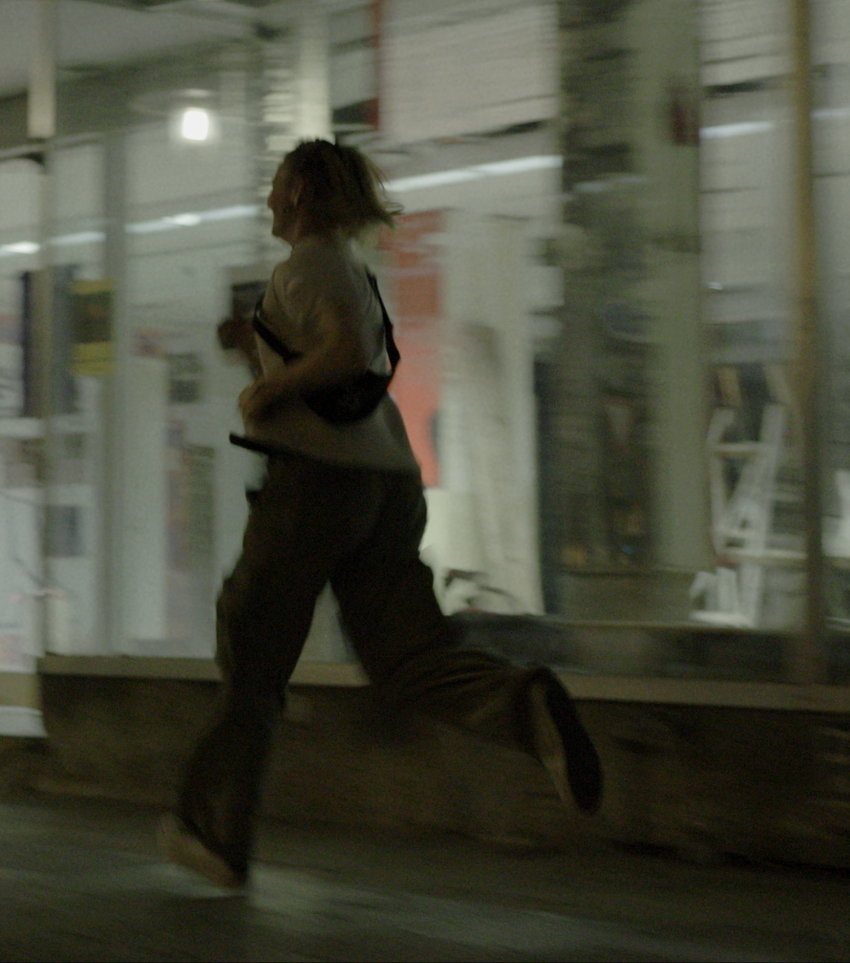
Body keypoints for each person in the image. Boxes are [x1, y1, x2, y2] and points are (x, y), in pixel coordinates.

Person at [159, 140, 602, 889]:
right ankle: (524, 707)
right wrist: (253, 352)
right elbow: (340, 368)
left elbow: (344, 351)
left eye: (276, 185)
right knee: (408, 656)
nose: (268, 200)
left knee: (252, 651)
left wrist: (268, 389)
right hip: (387, 483)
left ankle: (212, 831)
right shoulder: (350, 270)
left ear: (300, 193)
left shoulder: (307, 265)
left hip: (315, 487)